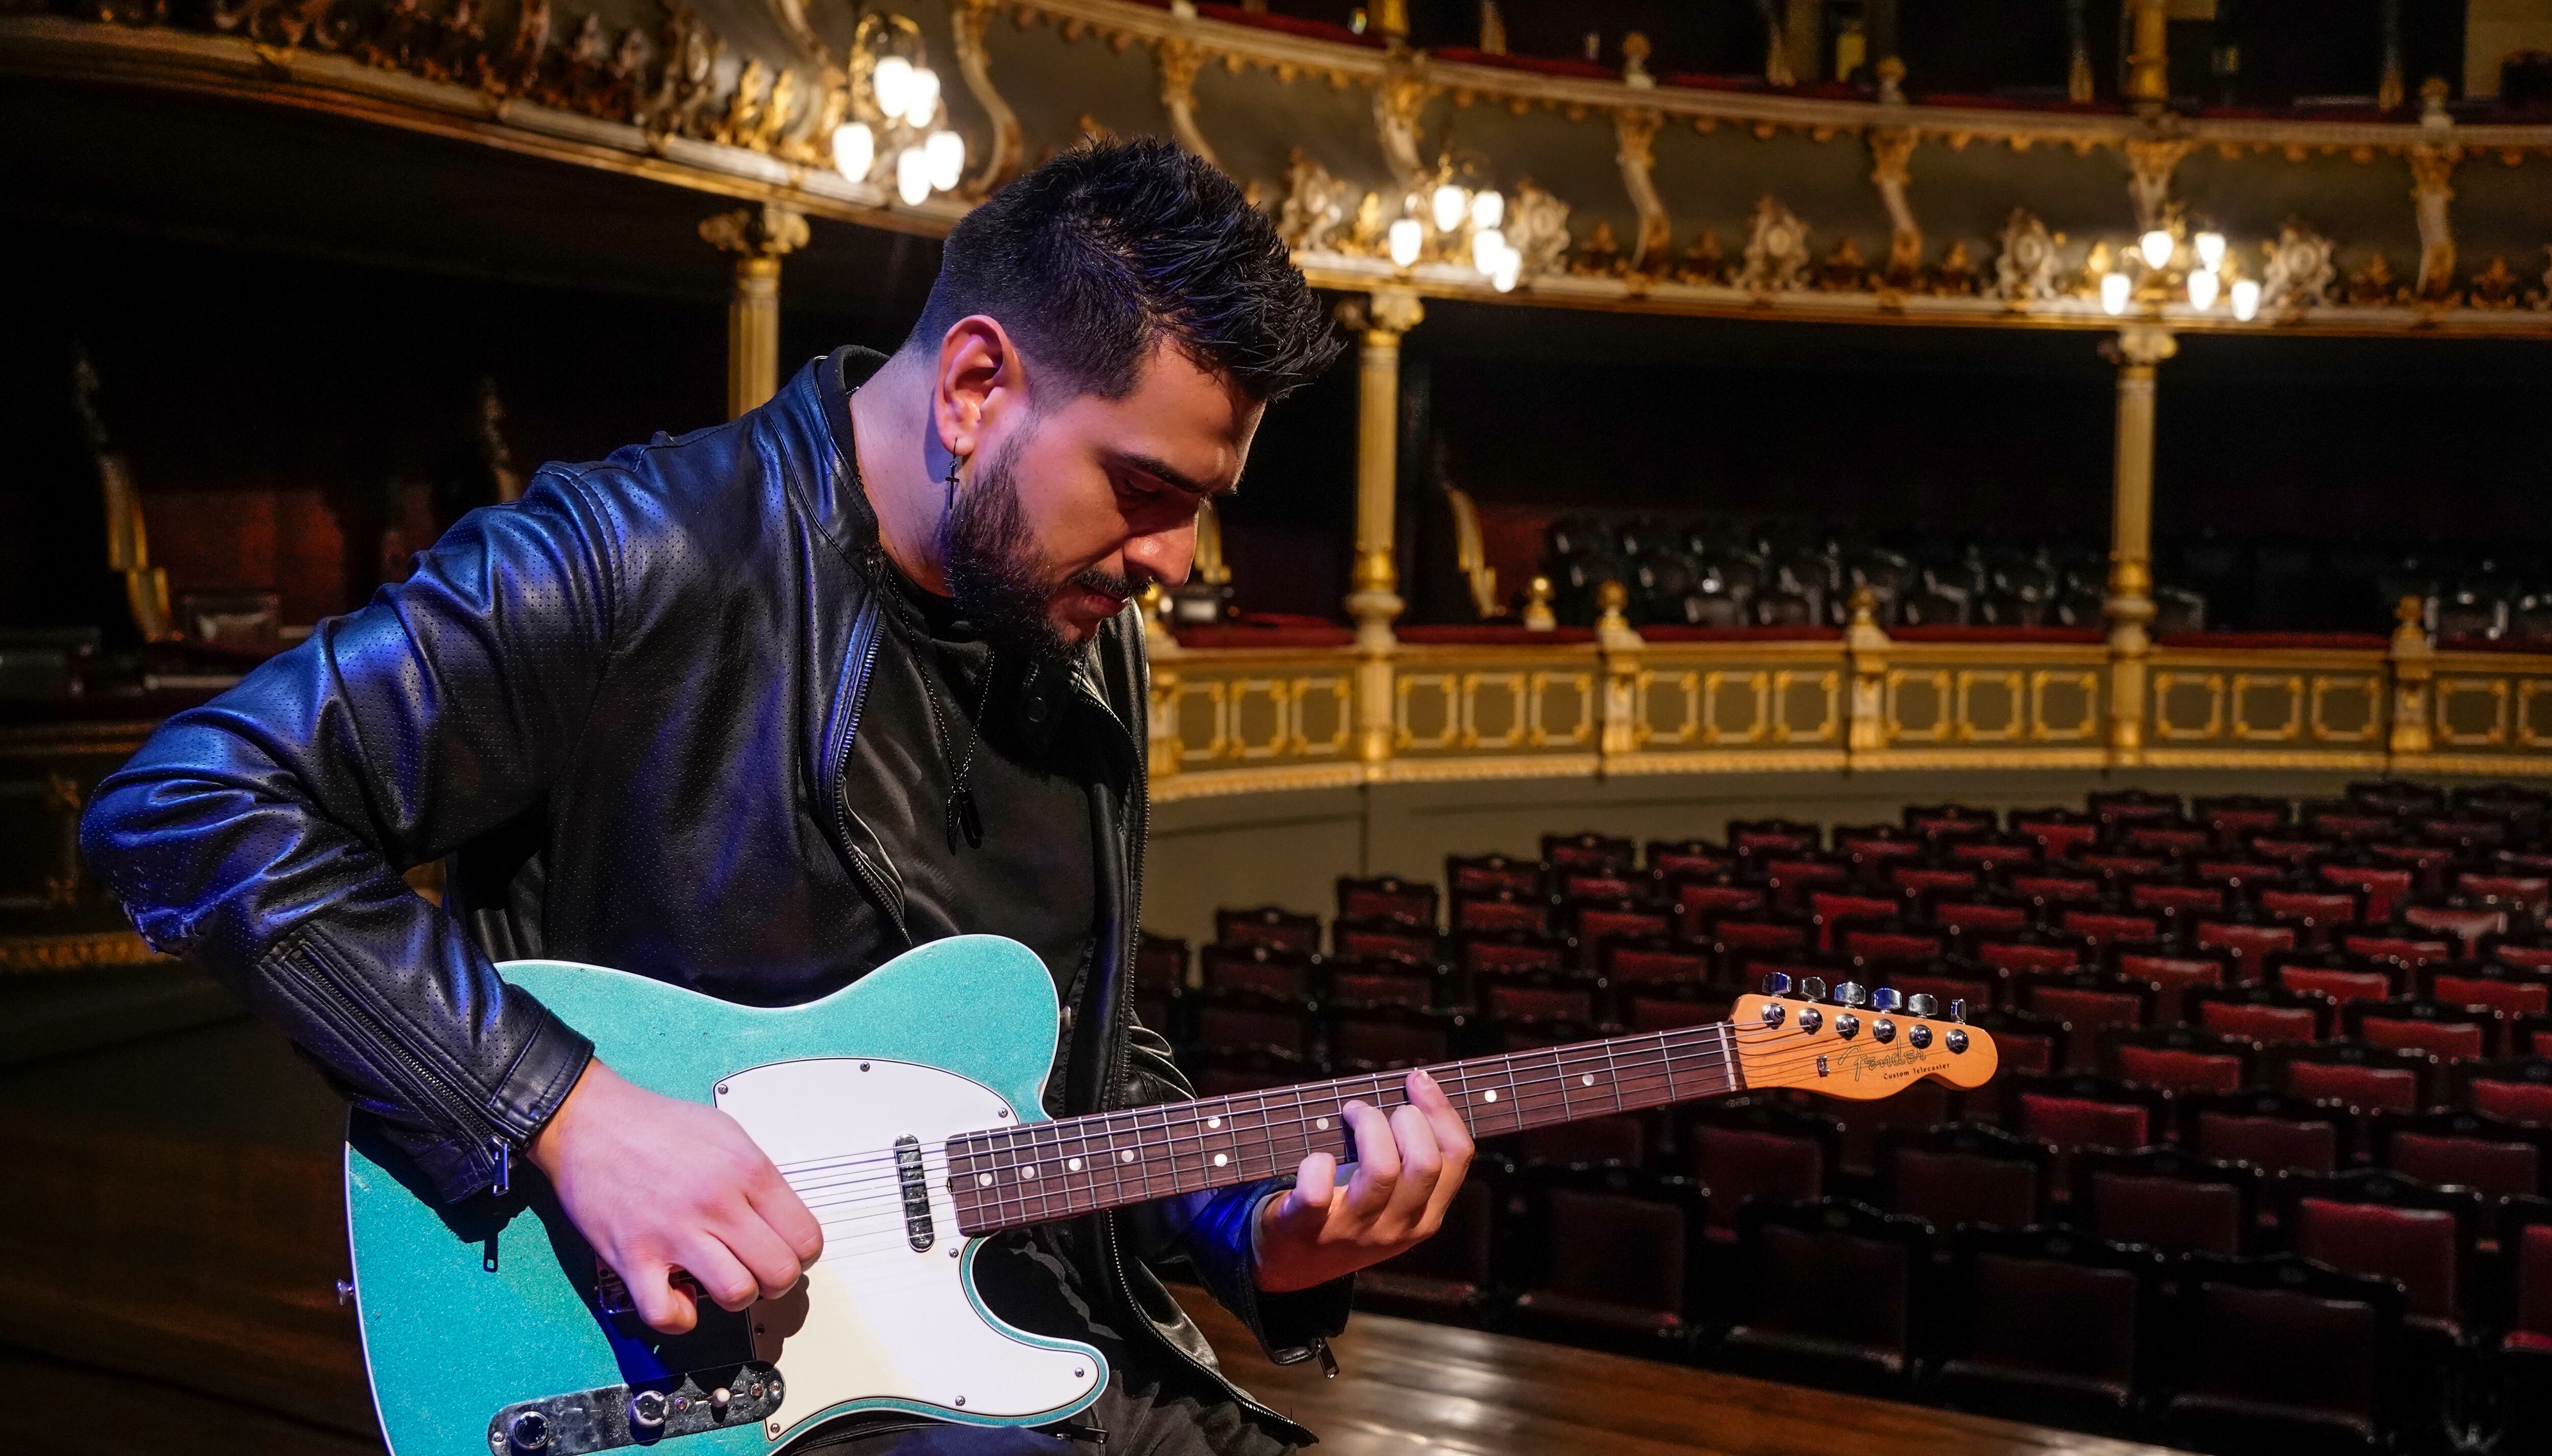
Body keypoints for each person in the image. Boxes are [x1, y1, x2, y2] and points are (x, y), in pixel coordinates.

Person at [78, 137, 1475, 1454]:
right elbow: (190, 803)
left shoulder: (1080, 621)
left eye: (1203, 506)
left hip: (1020, 1352)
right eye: (1148, 488)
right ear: (977, 387)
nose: (1179, 560)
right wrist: (569, 1112)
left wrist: (1259, 1232)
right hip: (707, 1376)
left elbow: (1068, 1058)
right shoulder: (630, 556)